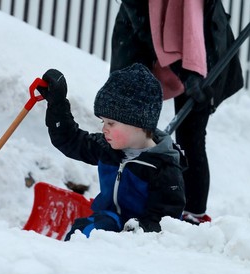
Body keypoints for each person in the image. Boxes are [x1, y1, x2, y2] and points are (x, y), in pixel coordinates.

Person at [110, 0, 244, 224]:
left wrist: (197, 73)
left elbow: (205, 20)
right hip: (142, 43)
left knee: (191, 135)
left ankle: (194, 213)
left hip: (200, 46)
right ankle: (122, 203)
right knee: (129, 129)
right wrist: (183, 72)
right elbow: (145, 26)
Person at [37, 63, 186, 240]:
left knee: (97, 232)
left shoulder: (164, 169)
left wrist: (133, 234)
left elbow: (166, 220)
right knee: (82, 231)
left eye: (111, 123)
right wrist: (57, 103)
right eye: (103, 122)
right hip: (107, 220)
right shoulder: (109, 149)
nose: (104, 129)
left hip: (139, 237)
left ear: (138, 124)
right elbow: (69, 140)